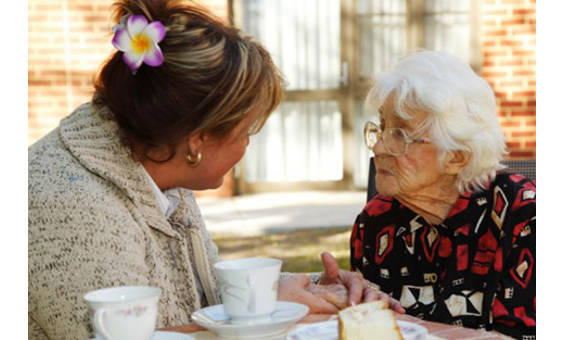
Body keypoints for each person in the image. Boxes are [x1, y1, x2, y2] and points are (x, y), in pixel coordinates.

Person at [28, 1, 401, 339]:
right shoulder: (72, 205)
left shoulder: (158, 165)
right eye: (246, 132)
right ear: (198, 142)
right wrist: (268, 307)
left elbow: (201, 295)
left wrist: (303, 288)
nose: (248, 146)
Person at [350, 50, 535, 339]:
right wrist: (340, 302)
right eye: (383, 127)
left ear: (457, 157)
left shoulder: (526, 217)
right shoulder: (375, 221)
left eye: (400, 134)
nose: (379, 147)